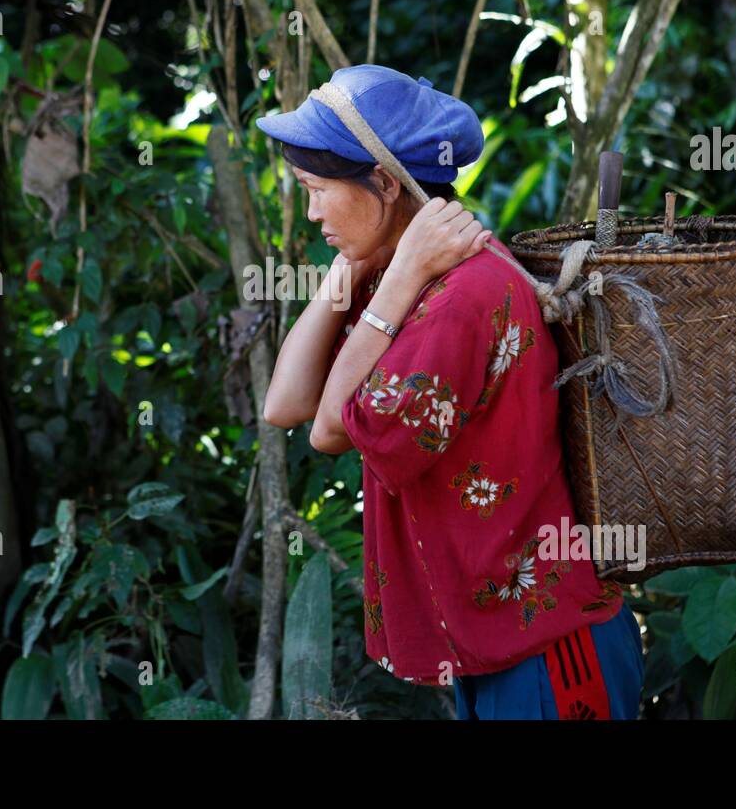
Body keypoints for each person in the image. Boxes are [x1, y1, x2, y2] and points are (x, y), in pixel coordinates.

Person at [255, 64, 645, 719]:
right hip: (496, 641)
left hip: (551, 652)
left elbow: (329, 431)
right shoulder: (404, 277)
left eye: (318, 190)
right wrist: (361, 267)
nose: (313, 211)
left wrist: (400, 275)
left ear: (383, 180)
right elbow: (284, 405)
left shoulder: (461, 295)